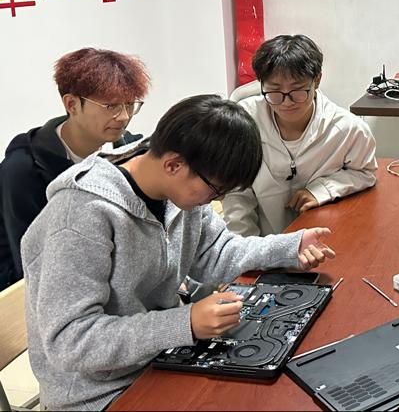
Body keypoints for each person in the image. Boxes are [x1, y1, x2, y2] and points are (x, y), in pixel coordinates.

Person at [21, 94, 336, 411]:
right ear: (173, 164)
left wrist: (289, 246)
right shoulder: (81, 214)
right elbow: (70, 341)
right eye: (215, 190)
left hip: (162, 358)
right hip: (98, 394)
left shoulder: (176, 190)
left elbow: (216, 252)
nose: (216, 199)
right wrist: (185, 323)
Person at [0, 47, 150, 290]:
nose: (123, 116)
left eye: (130, 104)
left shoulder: (129, 150)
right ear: (71, 104)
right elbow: (30, 262)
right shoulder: (24, 169)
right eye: (110, 106)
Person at [223, 34, 377, 236]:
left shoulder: (347, 130)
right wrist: (245, 247)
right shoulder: (245, 122)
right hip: (263, 240)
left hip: (325, 239)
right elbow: (236, 193)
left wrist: (323, 189)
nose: (287, 102)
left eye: (297, 90)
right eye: (274, 91)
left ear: (317, 80)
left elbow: (365, 172)